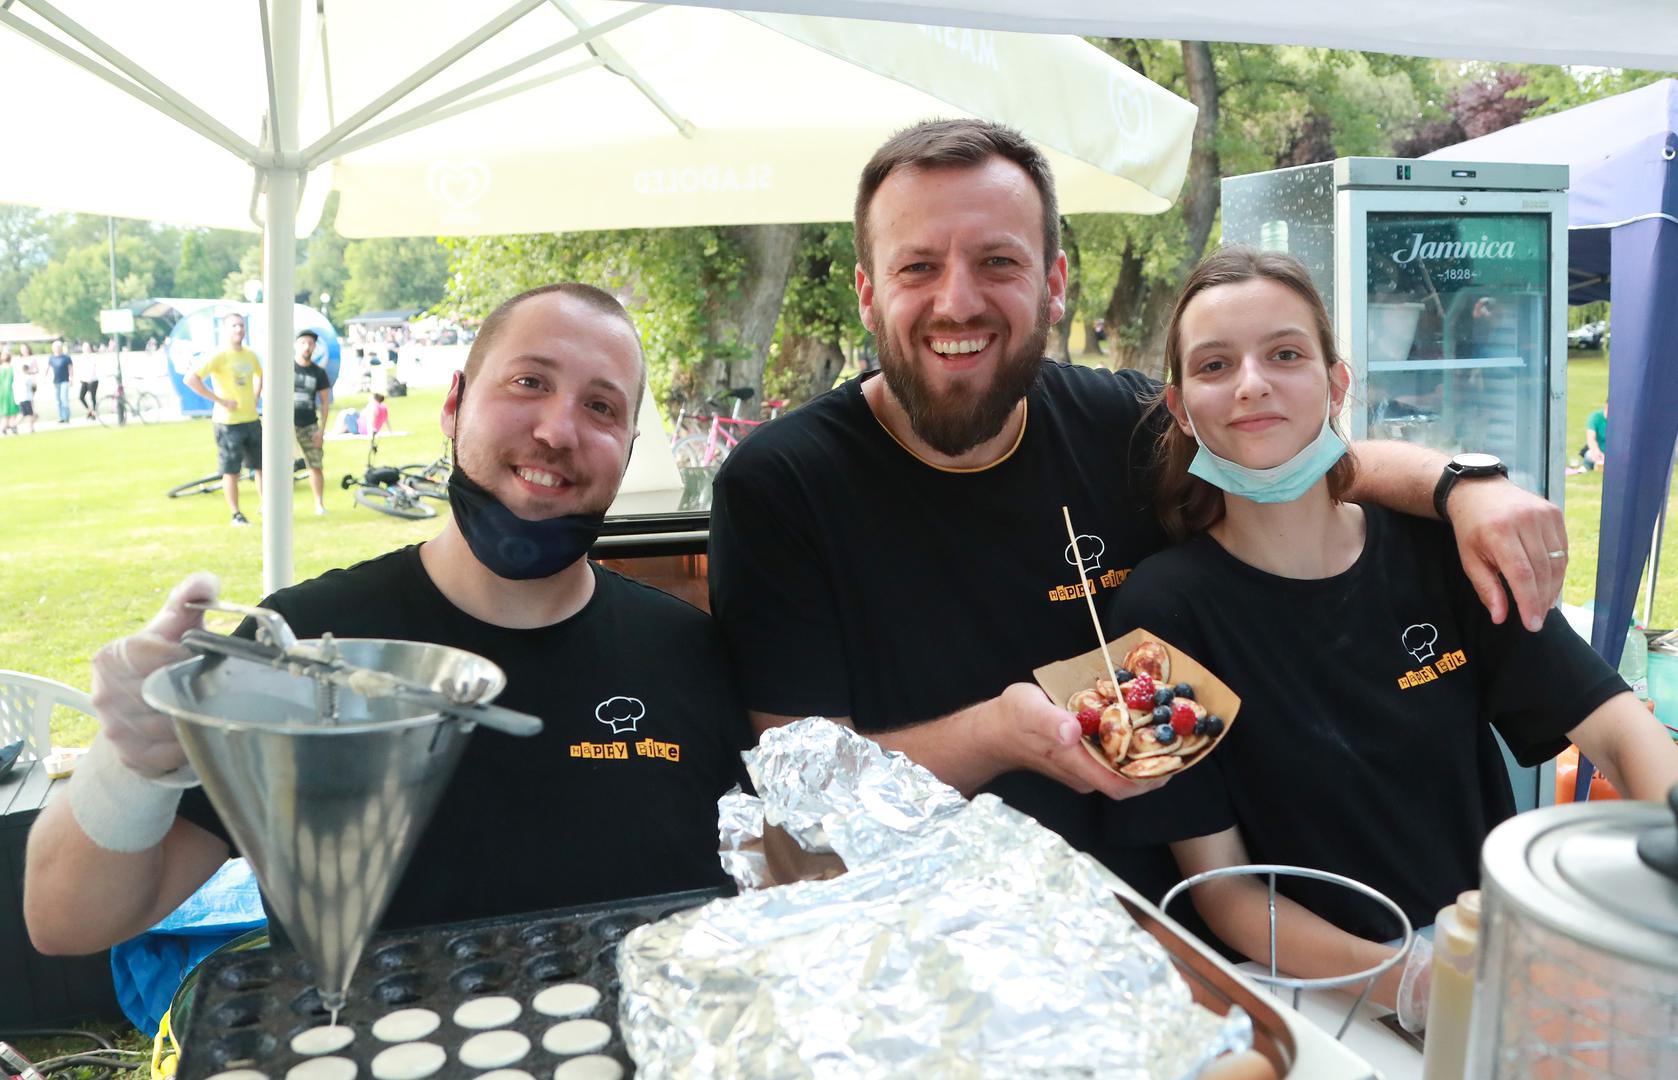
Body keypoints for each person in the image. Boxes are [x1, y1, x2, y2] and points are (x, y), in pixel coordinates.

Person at [706, 119, 1572, 905]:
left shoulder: (1118, 426)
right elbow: (805, 798)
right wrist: (1002, 734)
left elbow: (1289, 449)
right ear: (866, 291)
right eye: (918, 267)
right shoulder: (781, 486)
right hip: (928, 943)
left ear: (1054, 284)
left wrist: (1465, 484)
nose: (958, 301)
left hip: (1163, 931)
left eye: (998, 263)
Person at [23, 283, 751, 955]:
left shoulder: (686, 650)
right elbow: (64, 919)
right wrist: (135, 765)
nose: (558, 430)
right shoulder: (304, 645)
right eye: (529, 382)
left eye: (601, 407)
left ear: (627, 450)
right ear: (454, 402)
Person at [1102, 247, 1678, 1018]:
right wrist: (1411, 982)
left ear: (1336, 383)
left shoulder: (1439, 551)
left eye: (1284, 353)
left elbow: (1612, 726)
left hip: (1503, 955)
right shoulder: (1155, 616)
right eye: (1215, 365)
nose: (1252, 383)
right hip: (1329, 1000)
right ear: (1179, 407)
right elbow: (1227, 893)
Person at [185, 314, 264, 527]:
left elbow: (260, 374)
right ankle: (236, 514)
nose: (238, 329)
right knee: (231, 470)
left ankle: (266, 506)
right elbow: (191, 378)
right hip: (228, 423)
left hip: (251, 419)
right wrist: (219, 400)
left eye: (241, 325)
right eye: (234, 326)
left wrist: (256, 396)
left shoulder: (250, 355)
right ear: (225, 330)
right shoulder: (218, 355)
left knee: (261, 466)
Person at [291, 330, 333, 515]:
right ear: (296, 344)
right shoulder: (287, 368)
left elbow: (324, 402)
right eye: (303, 343)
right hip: (288, 425)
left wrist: (321, 430)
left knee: (315, 465)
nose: (307, 347)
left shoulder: (318, 373)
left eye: (310, 343)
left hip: (309, 423)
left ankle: (319, 503)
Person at [47, 339, 72, 423]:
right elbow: (47, 368)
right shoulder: (51, 358)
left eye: (58, 347)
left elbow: (70, 368)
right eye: (55, 347)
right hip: (56, 381)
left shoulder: (66, 357)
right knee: (58, 400)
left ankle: (66, 416)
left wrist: (71, 378)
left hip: (64, 380)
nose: (57, 349)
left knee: (64, 398)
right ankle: (61, 417)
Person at [15, 345, 37, 434]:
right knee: (26, 412)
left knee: (30, 409)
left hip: (29, 388)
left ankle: (31, 426)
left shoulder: (32, 359)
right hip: (24, 394)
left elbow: (36, 370)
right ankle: (15, 425)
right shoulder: (19, 361)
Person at [76, 341, 100, 421]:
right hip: (84, 380)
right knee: (81, 397)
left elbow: (93, 367)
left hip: (93, 380)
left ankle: (94, 413)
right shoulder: (82, 357)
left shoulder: (93, 356)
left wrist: (90, 377)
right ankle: (90, 410)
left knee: (93, 397)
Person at [0, 350, 18, 435]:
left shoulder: (10, 367)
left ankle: (9, 426)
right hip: (6, 391)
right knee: (8, 410)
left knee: (9, 410)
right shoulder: (7, 367)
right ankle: (9, 426)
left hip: (9, 390)